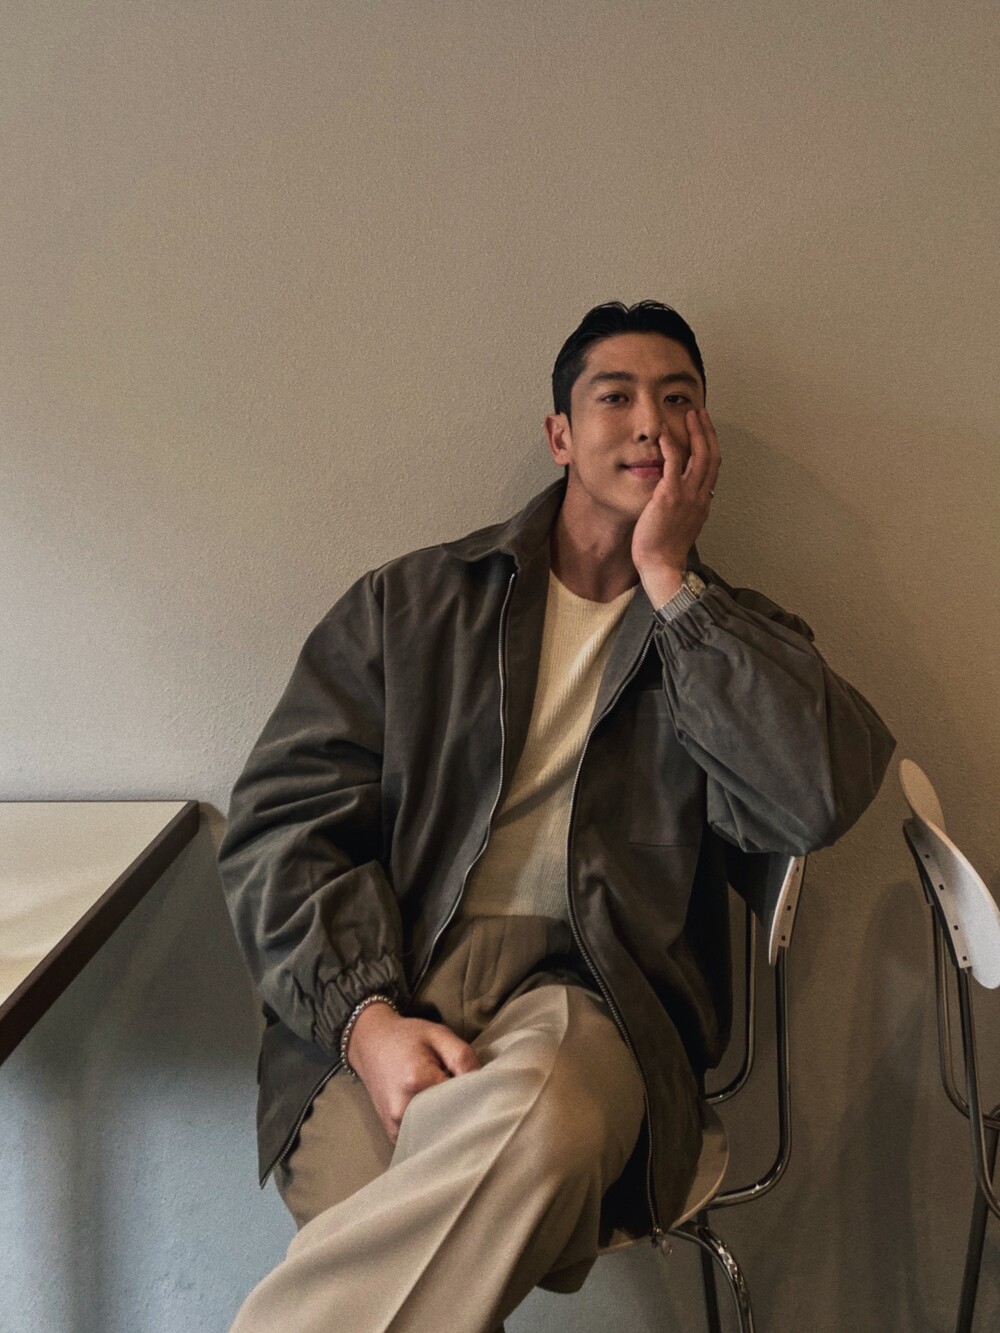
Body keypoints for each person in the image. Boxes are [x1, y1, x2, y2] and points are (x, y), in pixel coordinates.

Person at [217, 300, 894, 1332]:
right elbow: (282, 824)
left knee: (534, 1130)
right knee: (403, 1242)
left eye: (679, 399)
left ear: (704, 438)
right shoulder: (410, 605)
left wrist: (672, 584)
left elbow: (811, 799)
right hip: (390, 973)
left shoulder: (727, 639)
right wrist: (366, 1023)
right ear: (560, 435)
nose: (651, 423)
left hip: (595, 994)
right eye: (615, 396)